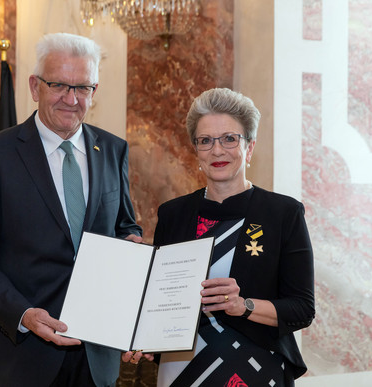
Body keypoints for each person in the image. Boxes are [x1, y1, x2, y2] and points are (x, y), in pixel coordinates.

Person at [0, 32, 142, 387]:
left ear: (94, 92)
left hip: (98, 357)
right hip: (23, 357)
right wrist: (23, 314)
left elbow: (125, 227)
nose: (71, 99)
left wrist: (131, 249)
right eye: (59, 85)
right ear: (34, 86)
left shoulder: (114, 150)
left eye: (83, 88)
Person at [123, 88, 315, 386]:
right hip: (180, 370)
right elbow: (162, 298)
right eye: (205, 141)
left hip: (254, 370)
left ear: (249, 148)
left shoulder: (283, 213)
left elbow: (302, 309)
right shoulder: (172, 213)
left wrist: (245, 306)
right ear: (195, 151)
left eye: (229, 139)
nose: (217, 150)